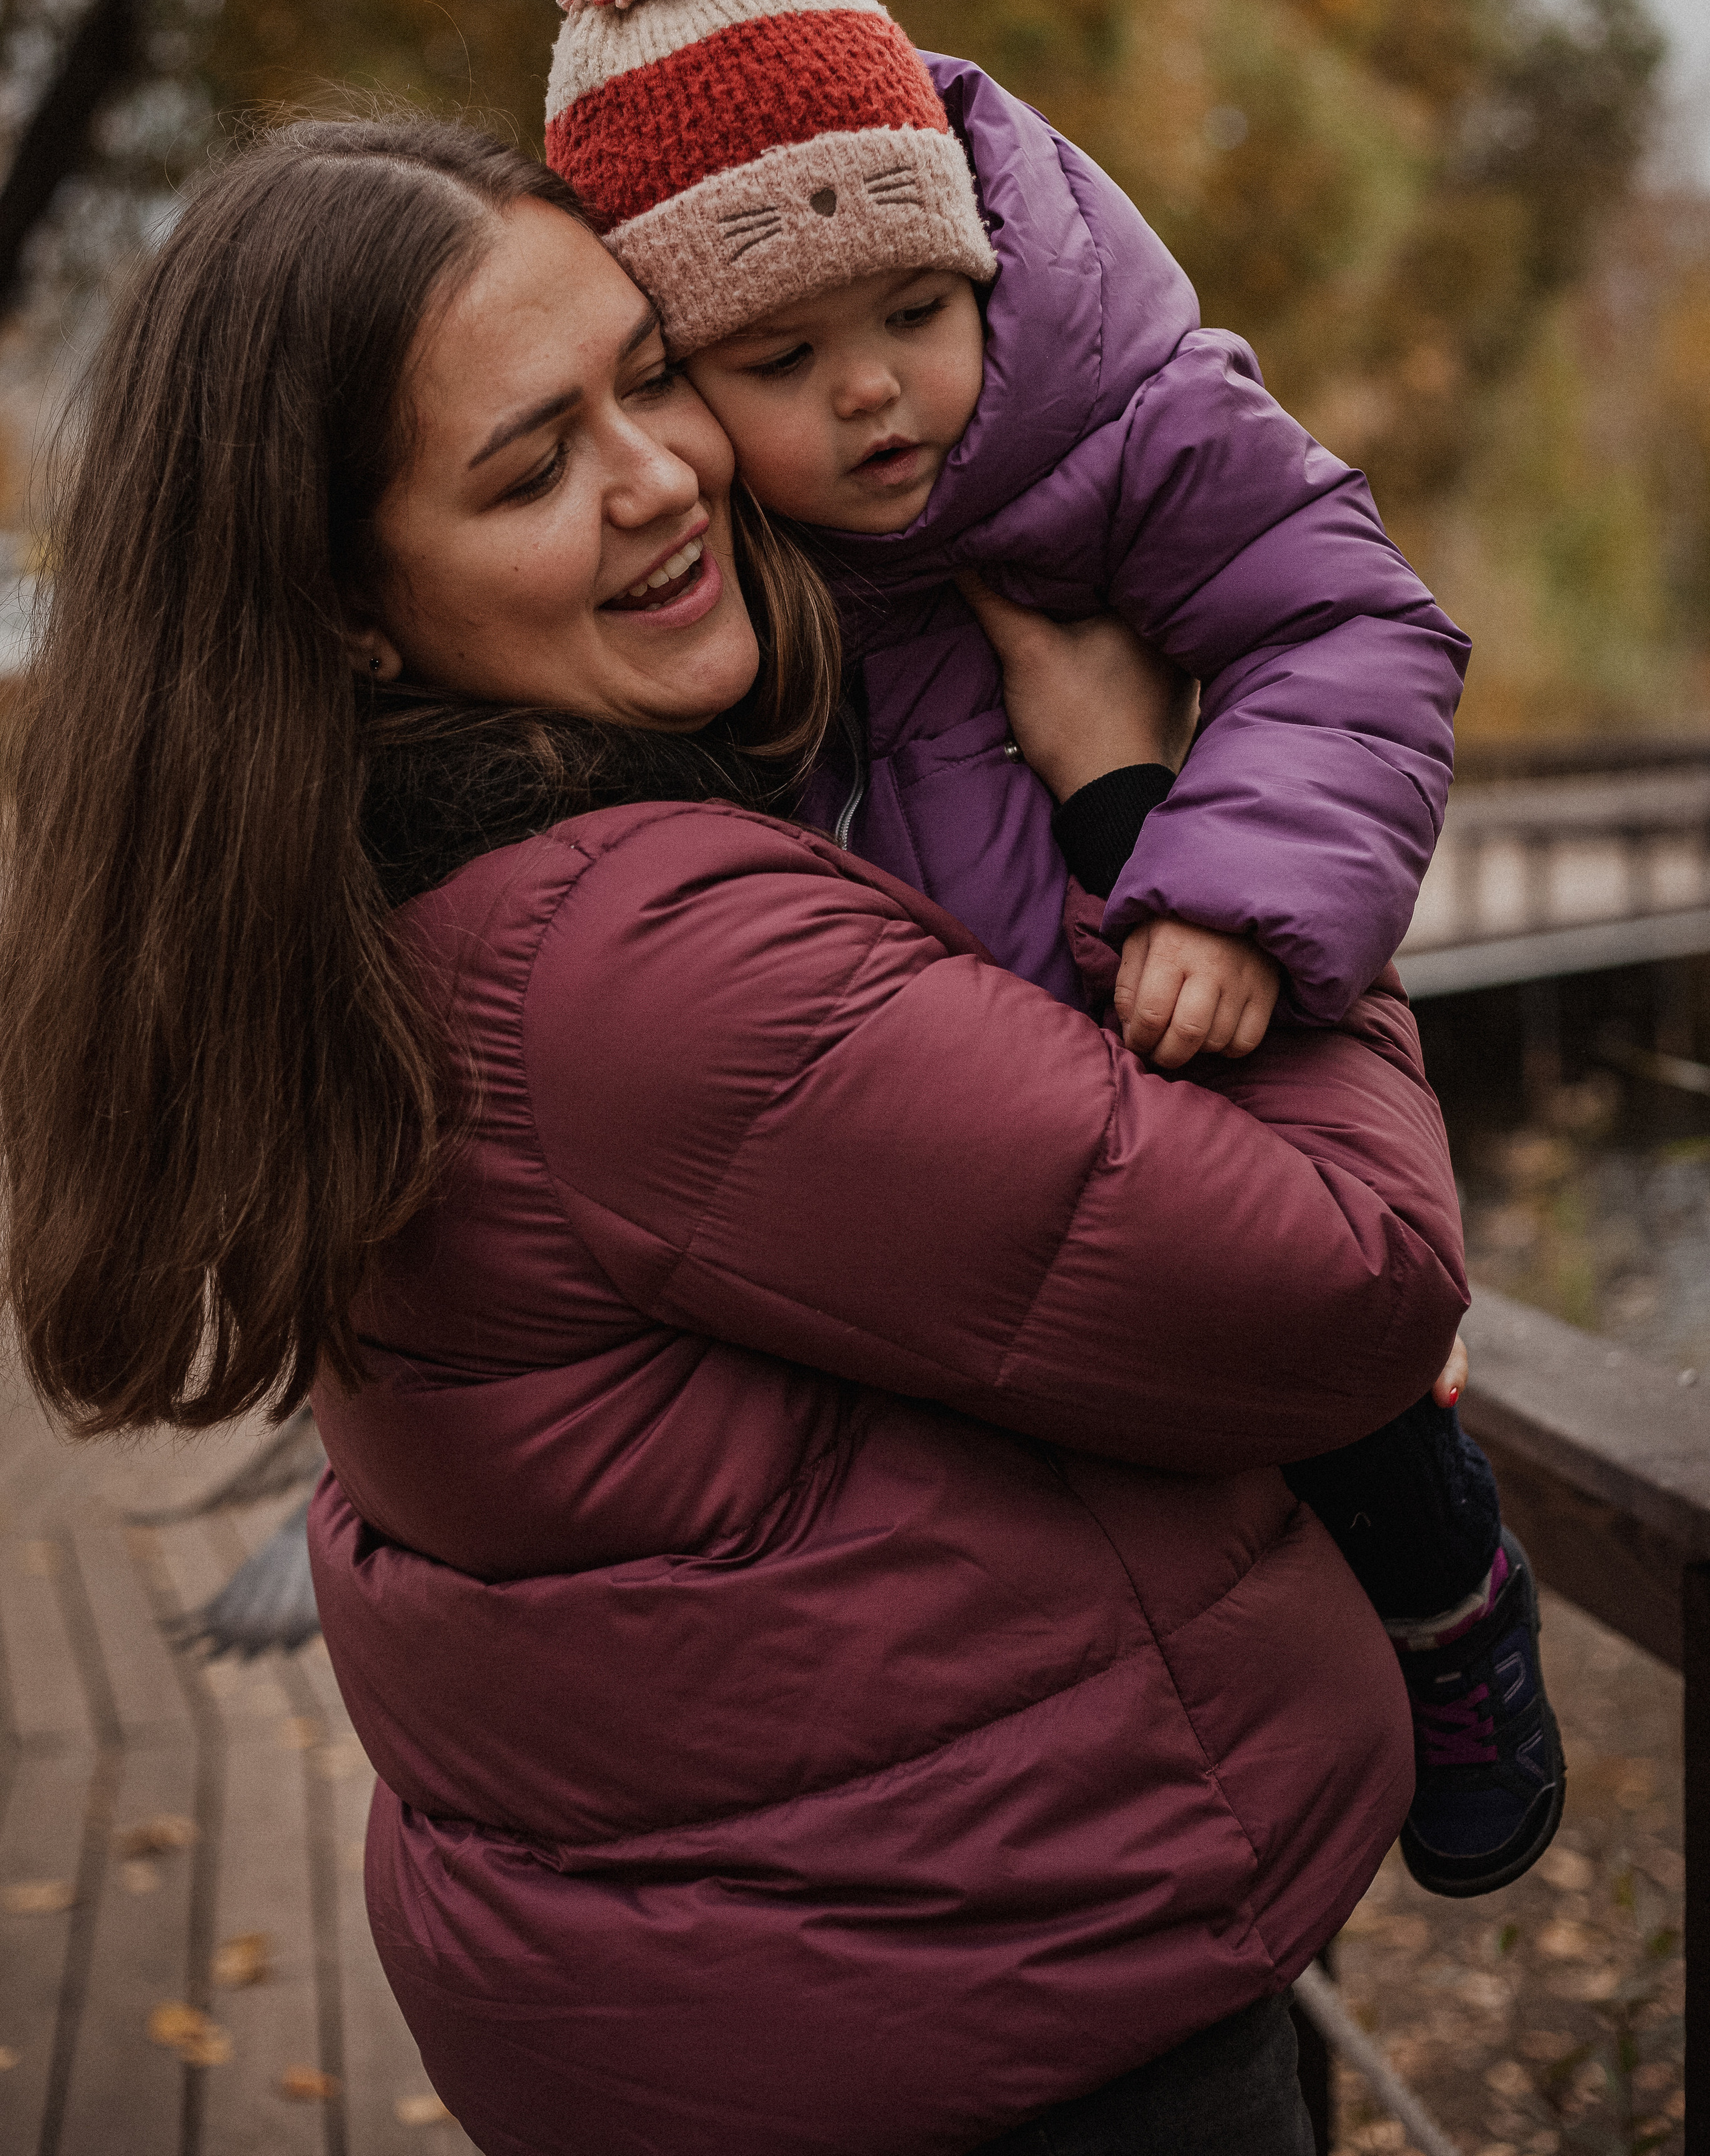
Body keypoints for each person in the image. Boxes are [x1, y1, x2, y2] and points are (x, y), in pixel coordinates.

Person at [1, 114, 1471, 2155]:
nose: (664, 472)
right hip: (990, 2024)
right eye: (529, 467)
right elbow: (1351, 1284)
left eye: (652, 369)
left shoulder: (370, 894)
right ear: (342, 608)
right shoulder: (644, 964)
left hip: (754, 1988)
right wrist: (1164, 826)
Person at [538, 0, 1564, 1900]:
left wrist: (1220, 883)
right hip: (977, 1122)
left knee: (1366, 1424)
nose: (878, 397)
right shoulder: (736, 567)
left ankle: (1462, 1625)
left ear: (981, 252)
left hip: (1185, 1010)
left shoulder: (1135, 423)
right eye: (782, 363)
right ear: (690, 382)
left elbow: (1350, 621)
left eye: (914, 312)